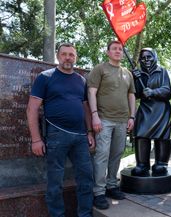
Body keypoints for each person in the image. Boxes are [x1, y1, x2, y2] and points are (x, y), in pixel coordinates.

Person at [26, 43, 95, 217]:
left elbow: (86, 108)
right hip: (56, 135)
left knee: (86, 179)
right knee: (55, 183)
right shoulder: (45, 77)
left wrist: (90, 132)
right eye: (64, 54)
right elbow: (32, 109)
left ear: (76, 58)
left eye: (71, 55)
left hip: (81, 137)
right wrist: (36, 139)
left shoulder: (81, 80)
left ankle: (85, 214)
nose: (68, 58)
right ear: (58, 56)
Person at [87, 40, 136, 209]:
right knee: (102, 155)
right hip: (104, 119)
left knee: (116, 154)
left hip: (122, 120)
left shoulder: (127, 73)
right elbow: (91, 92)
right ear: (108, 52)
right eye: (114, 49)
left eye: (120, 49)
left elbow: (131, 95)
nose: (117, 51)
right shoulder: (100, 69)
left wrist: (132, 116)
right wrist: (94, 115)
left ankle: (111, 185)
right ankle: (98, 192)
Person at [131, 48, 171, 177]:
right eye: (143, 58)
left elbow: (167, 91)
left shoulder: (162, 71)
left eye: (149, 57)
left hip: (161, 110)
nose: (146, 60)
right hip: (145, 108)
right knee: (141, 134)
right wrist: (136, 79)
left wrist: (153, 92)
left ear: (154, 57)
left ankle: (161, 163)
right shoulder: (139, 74)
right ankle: (142, 164)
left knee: (162, 136)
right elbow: (136, 94)